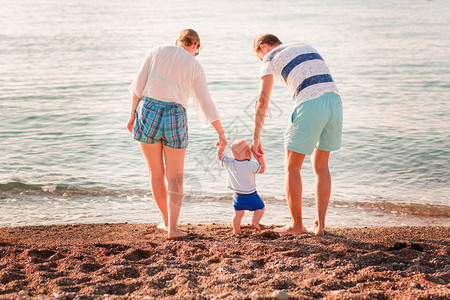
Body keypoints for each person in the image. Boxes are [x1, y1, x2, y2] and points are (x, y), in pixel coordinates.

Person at [127, 29, 227, 239]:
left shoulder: (157, 50)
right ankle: (173, 228)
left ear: (177, 42)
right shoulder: (194, 65)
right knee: (175, 178)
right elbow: (205, 103)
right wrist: (220, 132)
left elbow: (138, 86)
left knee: (156, 175)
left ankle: (166, 222)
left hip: (148, 110)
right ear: (195, 47)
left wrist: (132, 115)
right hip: (175, 114)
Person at [251, 34, 342, 235]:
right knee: (321, 166)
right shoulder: (303, 45)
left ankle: (296, 225)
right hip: (335, 102)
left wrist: (256, 137)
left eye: (259, 57)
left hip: (310, 103)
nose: (262, 60)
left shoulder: (270, 57)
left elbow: (263, 101)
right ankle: (320, 226)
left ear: (263, 47)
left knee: (292, 167)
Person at [218, 139, 265, 235]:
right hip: (251, 195)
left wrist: (221, 146)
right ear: (248, 153)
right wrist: (259, 156)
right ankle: (254, 222)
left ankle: (237, 232)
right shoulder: (251, 165)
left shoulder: (229, 163)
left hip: (238, 197)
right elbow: (262, 169)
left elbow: (220, 157)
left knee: (237, 215)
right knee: (260, 208)